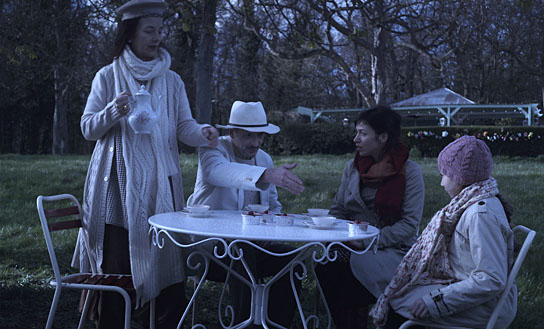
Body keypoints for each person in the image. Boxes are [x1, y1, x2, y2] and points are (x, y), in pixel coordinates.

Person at [71, 1, 219, 328]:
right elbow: (87, 128)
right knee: (116, 273)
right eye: (149, 30)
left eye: (160, 30)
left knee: (165, 270)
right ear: (130, 34)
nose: (157, 37)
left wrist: (203, 133)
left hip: (160, 192)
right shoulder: (107, 76)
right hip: (116, 196)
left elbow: (183, 127)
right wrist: (112, 111)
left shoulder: (172, 81)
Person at [371, 135, 517, 329]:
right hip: (471, 291)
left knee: (395, 306)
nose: (441, 182)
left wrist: (436, 301)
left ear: (460, 178)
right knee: (398, 295)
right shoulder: (474, 203)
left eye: (445, 174)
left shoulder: (480, 214)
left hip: (488, 305)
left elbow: (490, 279)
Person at [187, 100, 304, 328]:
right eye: (249, 136)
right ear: (232, 133)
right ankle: (245, 323)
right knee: (242, 248)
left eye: (260, 136)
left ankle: (277, 323)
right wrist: (267, 175)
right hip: (210, 249)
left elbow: (273, 205)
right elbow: (219, 173)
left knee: (292, 258)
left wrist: (272, 232)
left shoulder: (265, 159)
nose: (256, 143)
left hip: (253, 248)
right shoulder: (214, 149)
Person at [315, 105, 425, 329]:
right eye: (356, 132)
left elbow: (408, 226)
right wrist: (331, 230)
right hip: (351, 242)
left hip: (392, 248)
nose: (356, 139)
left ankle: (380, 316)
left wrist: (366, 240)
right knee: (326, 261)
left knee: (347, 270)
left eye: (363, 133)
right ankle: (343, 323)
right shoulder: (353, 167)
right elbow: (339, 209)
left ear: (383, 137)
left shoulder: (410, 172)